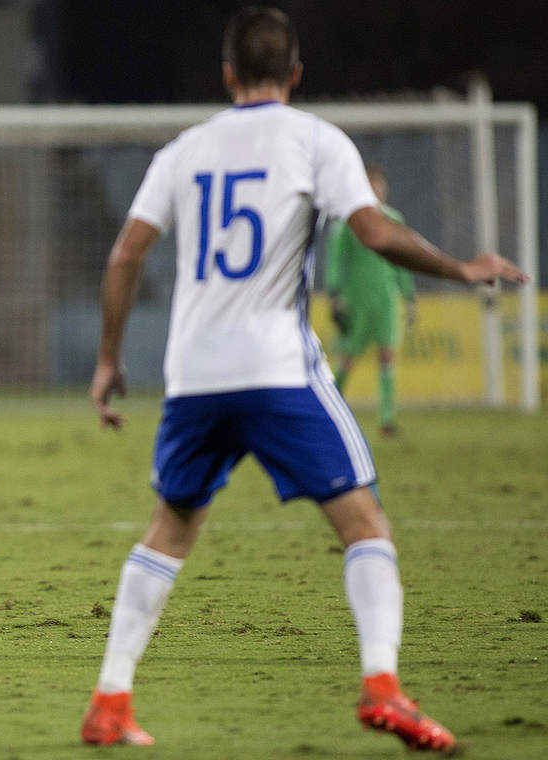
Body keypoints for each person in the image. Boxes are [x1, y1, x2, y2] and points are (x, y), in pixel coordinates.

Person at [81, 7, 528, 751]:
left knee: (169, 529)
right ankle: (383, 687)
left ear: (226, 75)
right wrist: (461, 267)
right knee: (363, 522)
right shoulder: (317, 140)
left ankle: (110, 699)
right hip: (276, 371)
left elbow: (125, 256)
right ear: (294, 73)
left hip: (192, 375)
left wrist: (106, 360)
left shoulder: (184, 151)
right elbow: (375, 231)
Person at [327, 165, 416, 436]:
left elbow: (403, 259)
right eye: (370, 186)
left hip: (386, 298)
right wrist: (335, 295)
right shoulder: (347, 222)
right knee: (347, 359)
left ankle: (387, 420)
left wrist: (409, 297)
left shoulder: (393, 219)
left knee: (387, 355)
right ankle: (329, 411)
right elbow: (336, 260)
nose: (376, 191)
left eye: (379, 186)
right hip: (356, 298)